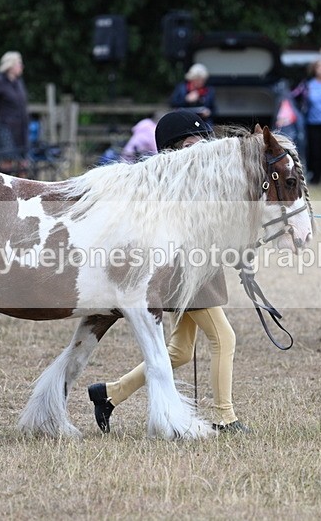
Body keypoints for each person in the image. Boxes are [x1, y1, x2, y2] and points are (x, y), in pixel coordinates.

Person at [88, 110, 251, 435]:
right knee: (224, 338)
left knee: (179, 352)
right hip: (186, 274)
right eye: (191, 144)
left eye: (202, 142)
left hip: (201, 272)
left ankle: (109, 394)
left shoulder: (201, 179)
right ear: (172, 149)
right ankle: (225, 418)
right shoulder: (172, 184)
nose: (199, 149)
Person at [0, 51, 30, 175]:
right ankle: (5, 186)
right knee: (7, 161)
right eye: (19, 63)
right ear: (11, 65)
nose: (21, 66)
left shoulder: (18, 82)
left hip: (21, 127)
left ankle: (23, 186)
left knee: (23, 162)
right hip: (5, 127)